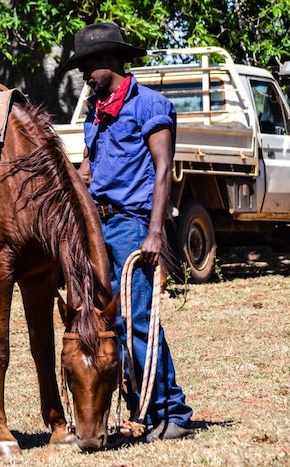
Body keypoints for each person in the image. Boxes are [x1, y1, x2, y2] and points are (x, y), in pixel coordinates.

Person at [60, 22, 194, 442]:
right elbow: (90, 170)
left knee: (139, 321)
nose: (84, 75)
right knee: (108, 324)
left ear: (111, 61)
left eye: (88, 66)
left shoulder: (150, 106)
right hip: (97, 228)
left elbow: (163, 170)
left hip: (131, 225)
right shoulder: (95, 115)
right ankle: (141, 406)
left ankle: (174, 412)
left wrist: (154, 232)